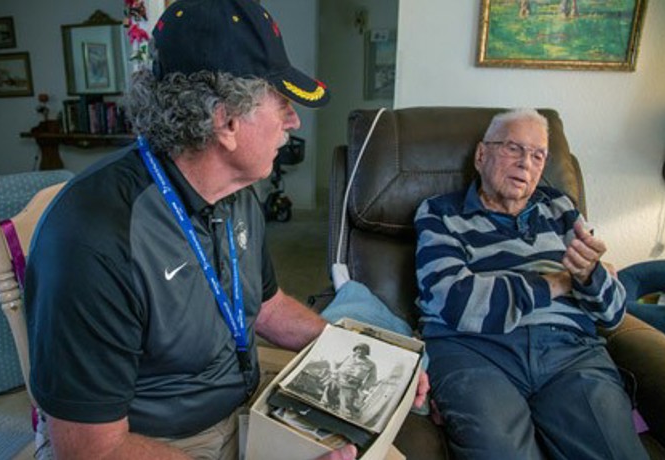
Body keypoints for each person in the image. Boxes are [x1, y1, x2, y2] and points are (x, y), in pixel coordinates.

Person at [24, 0, 428, 459]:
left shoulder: (236, 192)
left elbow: (266, 306)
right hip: (153, 444)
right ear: (227, 121)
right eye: (282, 101)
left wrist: (373, 360)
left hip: (248, 409)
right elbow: (91, 451)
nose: (294, 120)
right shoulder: (93, 240)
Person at [414, 108, 648, 459]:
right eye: (513, 148)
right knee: (500, 452)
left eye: (538, 155)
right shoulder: (439, 213)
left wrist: (589, 275)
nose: (526, 163)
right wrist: (558, 281)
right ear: (482, 154)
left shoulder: (561, 208)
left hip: (569, 352)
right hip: (474, 350)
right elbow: (455, 302)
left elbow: (613, 314)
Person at [333, 343, 377, 419]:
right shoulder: (348, 357)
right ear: (355, 350)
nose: (359, 351)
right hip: (338, 379)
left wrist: (364, 386)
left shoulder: (371, 364)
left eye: (363, 350)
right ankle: (325, 405)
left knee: (346, 405)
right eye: (358, 349)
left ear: (366, 352)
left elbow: (372, 377)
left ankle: (346, 417)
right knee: (328, 392)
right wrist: (335, 371)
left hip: (350, 385)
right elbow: (336, 363)